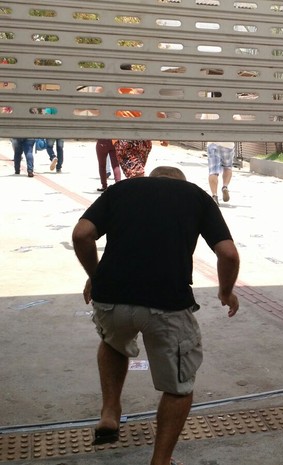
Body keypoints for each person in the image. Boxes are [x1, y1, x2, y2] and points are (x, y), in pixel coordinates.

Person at [71, 166, 240, 465]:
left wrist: (96, 276)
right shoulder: (196, 197)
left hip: (112, 300)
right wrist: (226, 292)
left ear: (151, 178)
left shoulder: (122, 190)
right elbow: (228, 254)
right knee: (178, 388)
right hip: (168, 305)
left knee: (113, 343)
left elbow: (82, 234)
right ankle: (160, 461)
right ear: (181, 183)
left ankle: (110, 411)